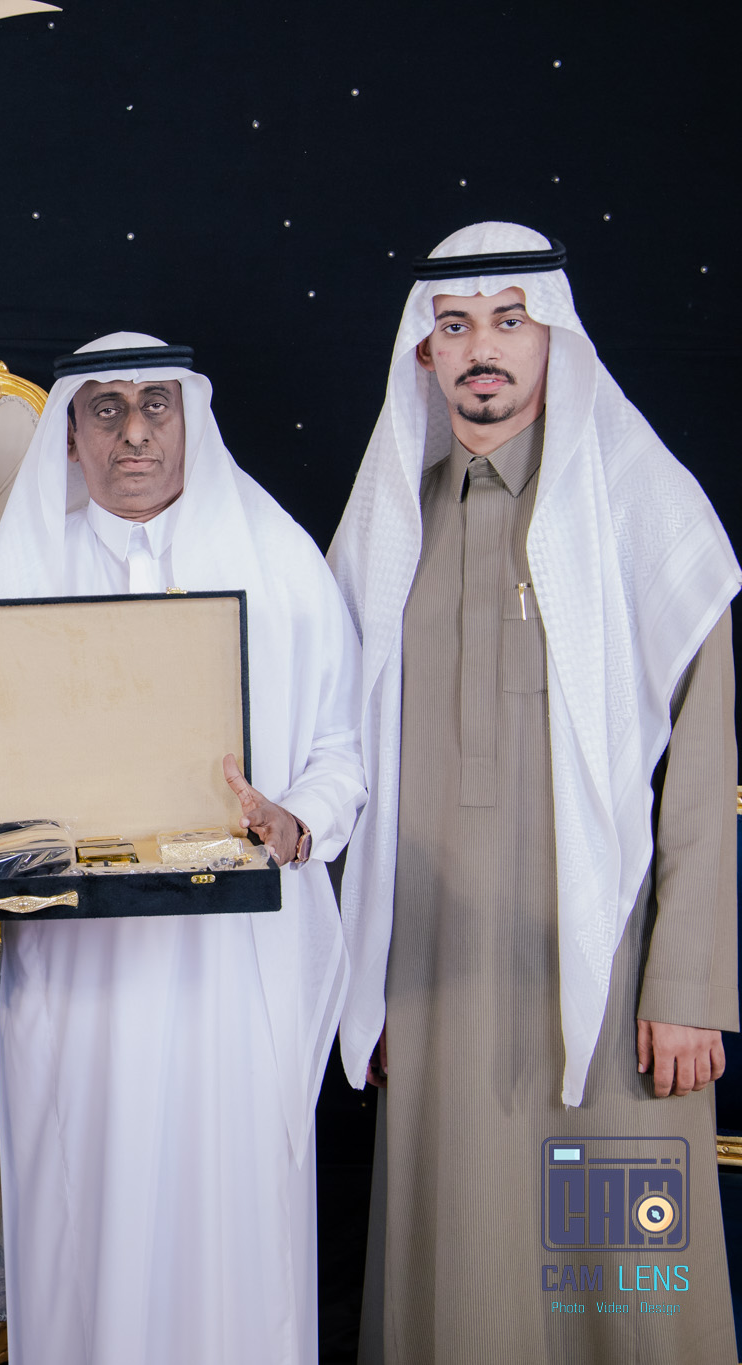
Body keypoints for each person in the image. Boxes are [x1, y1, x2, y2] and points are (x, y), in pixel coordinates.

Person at [330, 222, 739, 1362]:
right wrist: (361, 985)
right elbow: (338, 766)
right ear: (422, 353)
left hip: (612, 984)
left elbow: (704, 769)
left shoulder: (642, 511)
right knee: (463, 1279)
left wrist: (688, 984)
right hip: (434, 987)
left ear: (554, 336)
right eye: (455, 325)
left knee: (623, 1286)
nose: (483, 349)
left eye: (510, 321)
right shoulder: (386, 529)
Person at [0, 334, 366, 1364]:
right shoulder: (27, 570)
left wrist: (297, 819)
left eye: (156, 404)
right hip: (82, 963)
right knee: (87, 1209)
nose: (134, 431)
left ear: (192, 419)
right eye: (104, 408)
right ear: (70, 434)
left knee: (227, 1215)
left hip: (230, 966)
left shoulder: (276, 559)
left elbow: (341, 747)